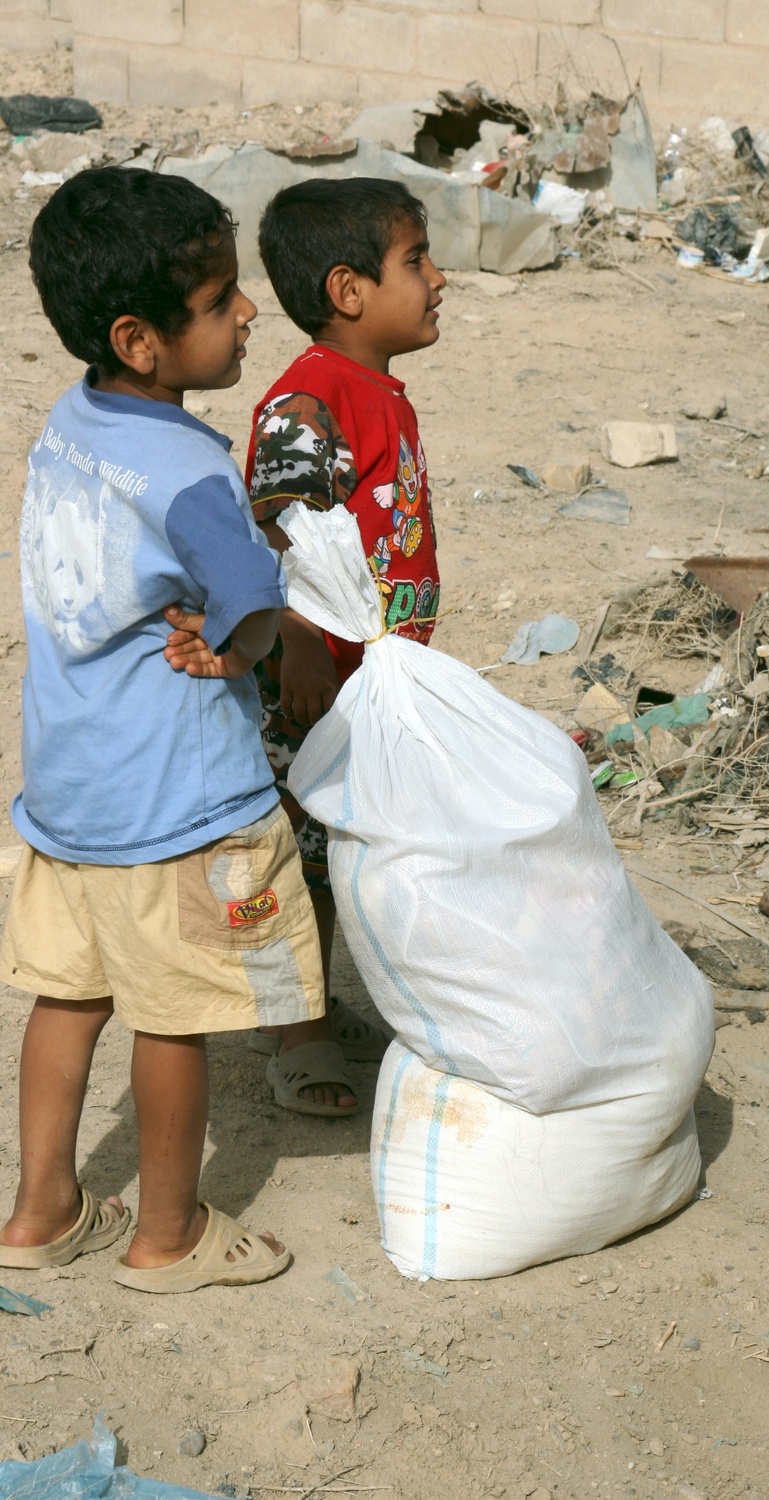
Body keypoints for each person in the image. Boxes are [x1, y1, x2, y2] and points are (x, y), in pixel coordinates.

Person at [0, 166, 328, 1292]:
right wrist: (238, 649)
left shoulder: (72, 420)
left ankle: (41, 1211)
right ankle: (169, 1234)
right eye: (221, 300)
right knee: (173, 1015)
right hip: (175, 801)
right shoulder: (190, 468)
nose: (248, 313)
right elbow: (252, 601)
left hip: (71, 788)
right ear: (140, 341)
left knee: (70, 995)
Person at [243, 177, 445, 1116]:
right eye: (417, 261)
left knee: (337, 851)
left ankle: (312, 1006)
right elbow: (270, 527)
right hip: (310, 681)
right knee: (302, 857)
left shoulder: (377, 393)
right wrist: (298, 642)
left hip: (363, 679)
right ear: (348, 290)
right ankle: (293, 1034)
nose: (438, 279)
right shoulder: (309, 399)